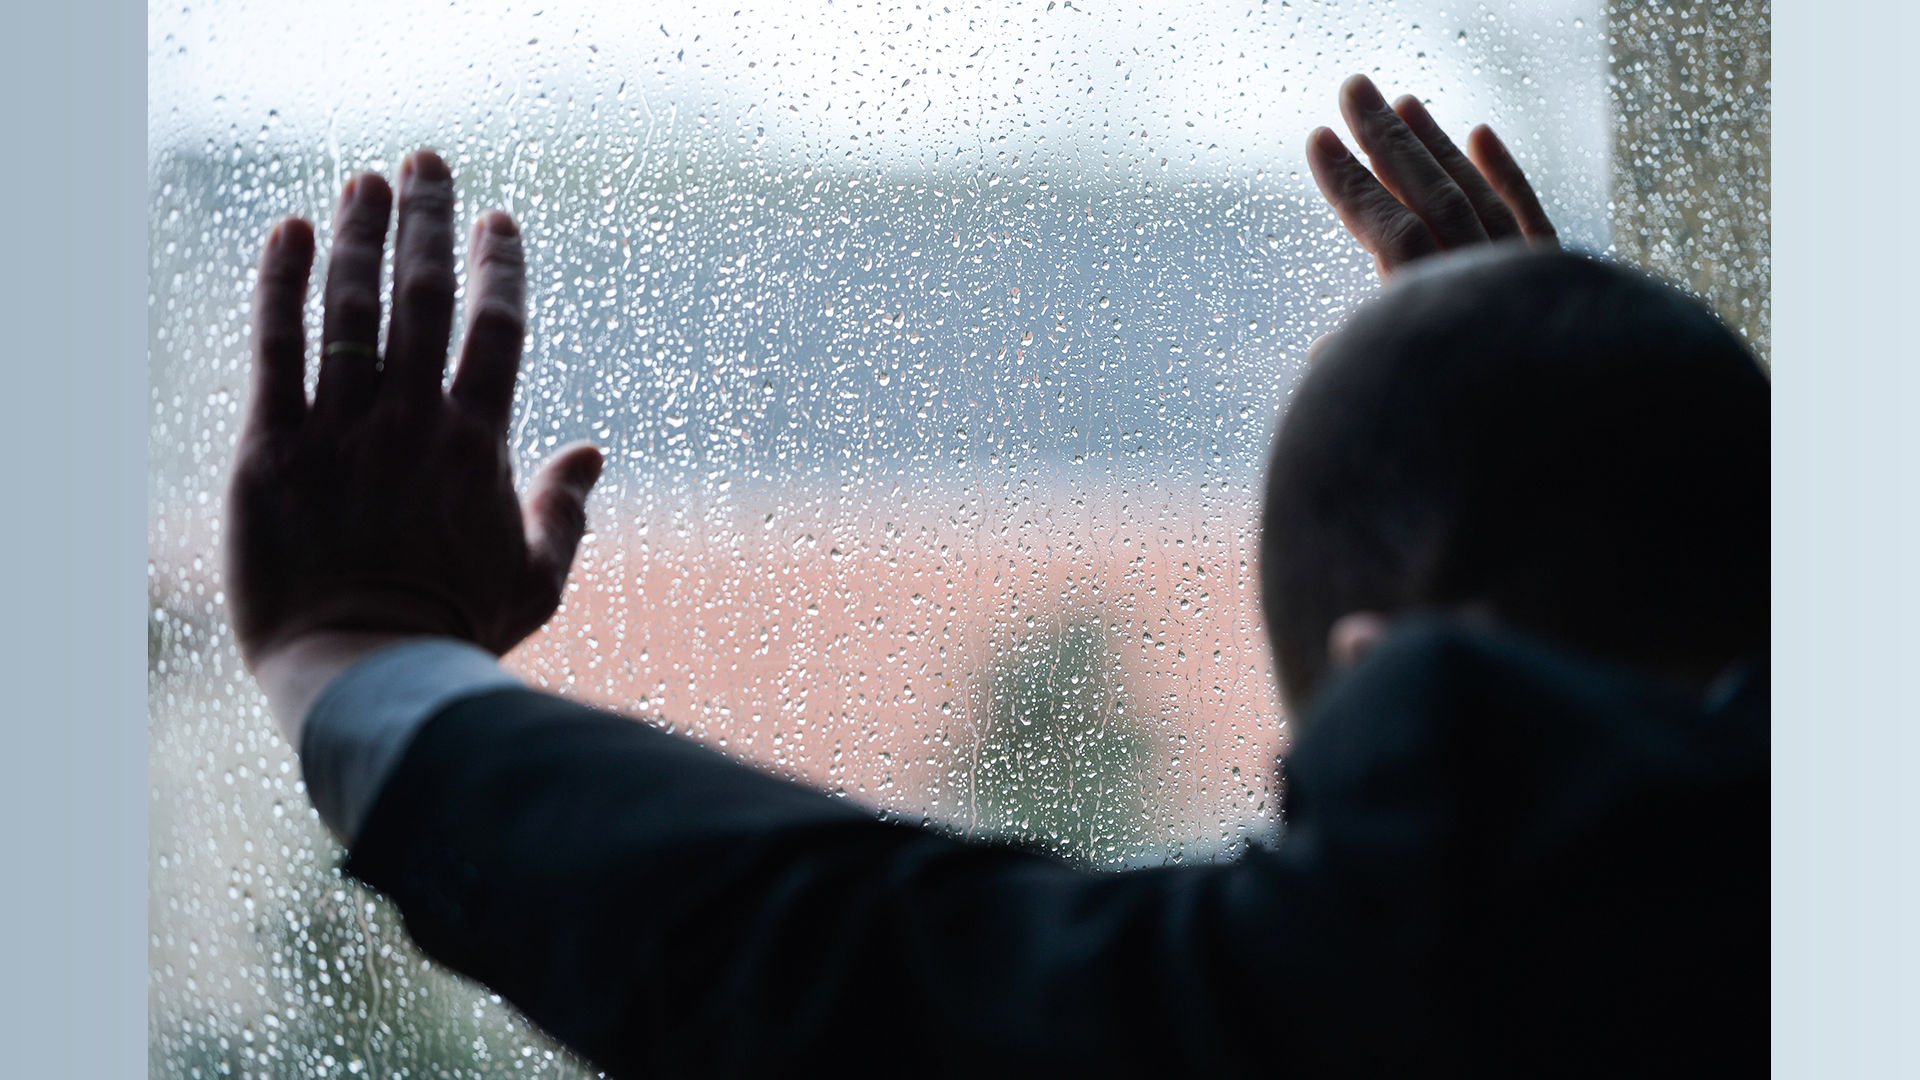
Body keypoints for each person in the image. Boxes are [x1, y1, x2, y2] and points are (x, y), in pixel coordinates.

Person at [227, 76, 1767, 1076]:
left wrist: (351, 645)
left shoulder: (1434, 988)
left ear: (1388, 675)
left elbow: (860, 973)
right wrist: (1582, 418)